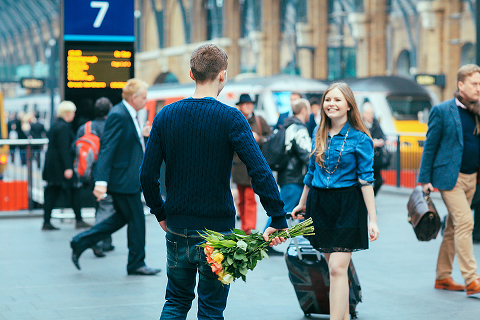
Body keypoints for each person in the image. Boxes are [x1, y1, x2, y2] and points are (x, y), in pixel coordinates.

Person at [139, 43, 287, 320]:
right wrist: (277, 217)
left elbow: (146, 175)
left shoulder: (165, 116)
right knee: (210, 309)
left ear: (192, 74)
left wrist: (160, 211)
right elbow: (259, 170)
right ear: (223, 75)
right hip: (218, 232)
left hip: (178, 225)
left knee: (175, 301)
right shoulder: (232, 118)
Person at [291, 82, 379, 320]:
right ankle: (343, 316)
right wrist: (302, 202)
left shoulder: (361, 139)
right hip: (320, 204)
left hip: (348, 205)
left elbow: (366, 181)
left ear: (349, 105)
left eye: (337, 100)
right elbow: (311, 172)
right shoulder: (317, 132)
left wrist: (373, 219)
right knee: (334, 270)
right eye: (328, 100)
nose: (331, 104)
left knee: (338, 268)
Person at [70, 79, 161, 276]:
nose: (146, 101)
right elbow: (108, 149)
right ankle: (136, 263)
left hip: (126, 179)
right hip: (123, 181)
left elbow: (127, 146)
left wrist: (144, 136)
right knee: (137, 221)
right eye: (144, 97)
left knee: (120, 219)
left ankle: (80, 242)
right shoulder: (119, 114)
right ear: (134, 97)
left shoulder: (129, 114)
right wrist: (101, 181)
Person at [418, 64, 480, 296]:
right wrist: (423, 179)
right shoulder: (443, 111)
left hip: (472, 177)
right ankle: (472, 278)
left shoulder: (478, 110)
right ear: (461, 85)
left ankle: (443, 277)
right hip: (449, 178)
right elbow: (430, 146)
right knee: (465, 222)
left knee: (454, 228)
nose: (479, 88)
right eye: (475, 84)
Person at [42, 101, 91, 231]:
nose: (74, 115)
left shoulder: (55, 125)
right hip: (61, 168)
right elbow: (64, 149)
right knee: (74, 191)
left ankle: (46, 221)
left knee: (52, 193)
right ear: (67, 113)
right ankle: (79, 220)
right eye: (73, 112)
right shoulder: (64, 127)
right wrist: (68, 168)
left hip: (53, 167)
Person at [74, 97, 114, 257]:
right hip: (106, 174)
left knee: (103, 207)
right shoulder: (111, 126)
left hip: (89, 174)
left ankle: (106, 242)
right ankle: (97, 241)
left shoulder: (86, 127)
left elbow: (75, 147)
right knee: (106, 208)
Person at [232, 93, 271, 234]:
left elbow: (270, 137)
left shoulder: (259, 120)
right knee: (241, 199)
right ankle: (244, 226)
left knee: (250, 198)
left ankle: (248, 229)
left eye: (250, 103)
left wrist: (258, 138)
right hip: (238, 166)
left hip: (253, 165)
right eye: (245, 104)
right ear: (240, 106)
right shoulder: (235, 119)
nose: (249, 106)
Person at [361, 102, 388, 196]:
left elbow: (383, 136)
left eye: (372, 113)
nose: (370, 116)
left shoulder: (376, 124)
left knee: (379, 181)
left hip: (376, 158)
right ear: (363, 114)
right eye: (368, 113)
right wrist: (372, 142)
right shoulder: (360, 125)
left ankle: (371, 197)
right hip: (365, 158)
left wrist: (381, 141)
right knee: (365, 182)